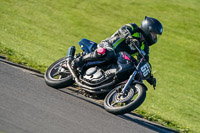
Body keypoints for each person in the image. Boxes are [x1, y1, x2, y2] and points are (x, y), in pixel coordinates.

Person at [71, 16, 163, 89]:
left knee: (129, 69)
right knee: (108, 53)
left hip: (118, 58)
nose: (154, 37)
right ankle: (79, 61)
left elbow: (144, 61)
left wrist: (149, 77)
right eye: (153, 34)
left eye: (156, 36)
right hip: (108, 46)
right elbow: (123, 29)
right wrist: (129, 37)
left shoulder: (144, 46)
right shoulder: (134, 28)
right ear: (147, 28)